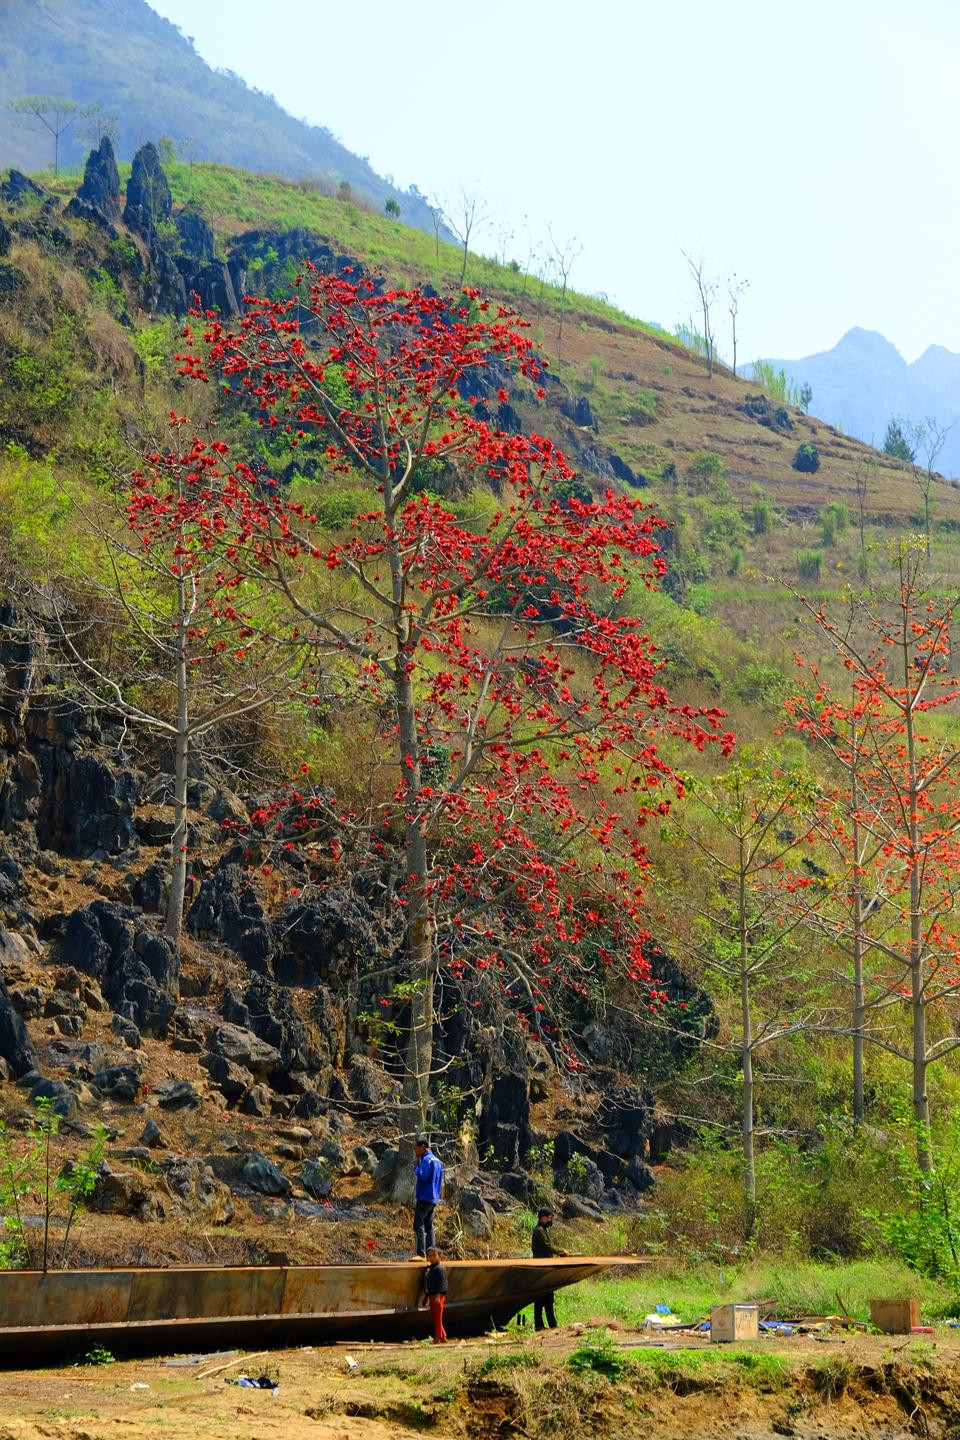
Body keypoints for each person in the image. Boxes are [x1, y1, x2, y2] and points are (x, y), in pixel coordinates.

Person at [530, 1207, 567, 1332]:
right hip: (541, 1268)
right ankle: (541, 1325)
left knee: (547, 1297)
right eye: (550, 1218)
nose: (551, 1220)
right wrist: (562, 1252)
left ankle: (550, 1324)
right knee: (541, 1297)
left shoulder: (543, 1230)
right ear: (543, 1217)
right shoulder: (539, 1231)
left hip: (545, 1267)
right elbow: (548, 1247)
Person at [412, 1136, 443, 1258]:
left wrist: (416, 1166)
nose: (415, 1151)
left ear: (423, 1147)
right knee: (429, 1226)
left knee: (418, 1224)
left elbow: (423, 1176)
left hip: (424, 1196)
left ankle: (421, 1254)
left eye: (416, 1148)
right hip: (433, 1197)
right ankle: (432, 1253)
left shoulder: (426, 1160)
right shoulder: (437, 1161)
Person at [422, 1246, 448, 1343]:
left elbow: (443, 1283)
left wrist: (438, 1295)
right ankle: (443, 1336)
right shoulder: (430, 1269)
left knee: (438, 1317)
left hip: (438, 1296)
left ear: (439, 1256)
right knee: (434, 1317)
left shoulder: (440, 1268)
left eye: (434, 1255)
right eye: (429, 1256)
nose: (431, 1258)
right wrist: (426, 1296)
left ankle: (437, 1338)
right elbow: (427, 1284)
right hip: (431, 1295)